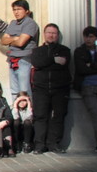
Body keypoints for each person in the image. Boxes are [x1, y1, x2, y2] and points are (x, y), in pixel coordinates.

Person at [29, 23, 71, 153]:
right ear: (44, 34)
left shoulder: (65, 50)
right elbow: (37, 63)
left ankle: (54, 143)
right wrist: (53, 60)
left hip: (60, 88)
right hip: (41, 88)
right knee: (40, 116)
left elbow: (63, 63)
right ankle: (39, 145)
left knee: (58, 116)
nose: (51, 35)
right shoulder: (37, 51)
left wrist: (46, 62)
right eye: (49, 32)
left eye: (54, 33)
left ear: (57, 35)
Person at [73, 26, 97, 153]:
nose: (88, 39)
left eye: (91, 37)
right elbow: (81, 69)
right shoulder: (79, 51)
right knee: (96, 113)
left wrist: (93, 65)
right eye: (86, 36)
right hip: (87, 86)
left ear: (96, 38)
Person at [0, 0, 39, 100]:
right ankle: (16, 113)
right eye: (14, 10)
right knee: (14, 90)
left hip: (24, 60)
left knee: (24, 90)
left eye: (19, 9)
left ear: (27, 11)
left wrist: (11, 40)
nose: (16, 12)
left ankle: (28, 114)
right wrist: (15, 38)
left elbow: (21, 43)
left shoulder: (30, 24)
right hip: (12, 59)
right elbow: (3, 40)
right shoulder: (13, 23)